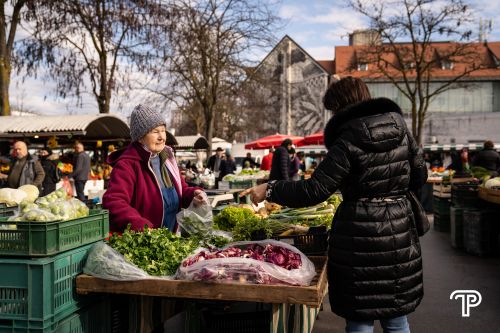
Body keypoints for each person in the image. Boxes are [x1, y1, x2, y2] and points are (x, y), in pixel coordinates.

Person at [241, 77, 427, 333]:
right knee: (396, 319)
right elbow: (420, 176)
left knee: (360, 316)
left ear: (341, 106)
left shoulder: (348, 138)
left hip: (359, 234)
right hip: (400, 228)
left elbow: (314, 189)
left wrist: (270, 189)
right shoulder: (401, 129)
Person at [103, 104, 205, 233]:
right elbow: (114, 201)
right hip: (142, 243)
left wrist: (193, 194)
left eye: (163, 130)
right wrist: (140, 226)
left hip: (168, 239)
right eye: (155, 132)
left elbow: (181, 190)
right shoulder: (127, 164)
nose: (161, 137)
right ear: (140, 137)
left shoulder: (167, 159)